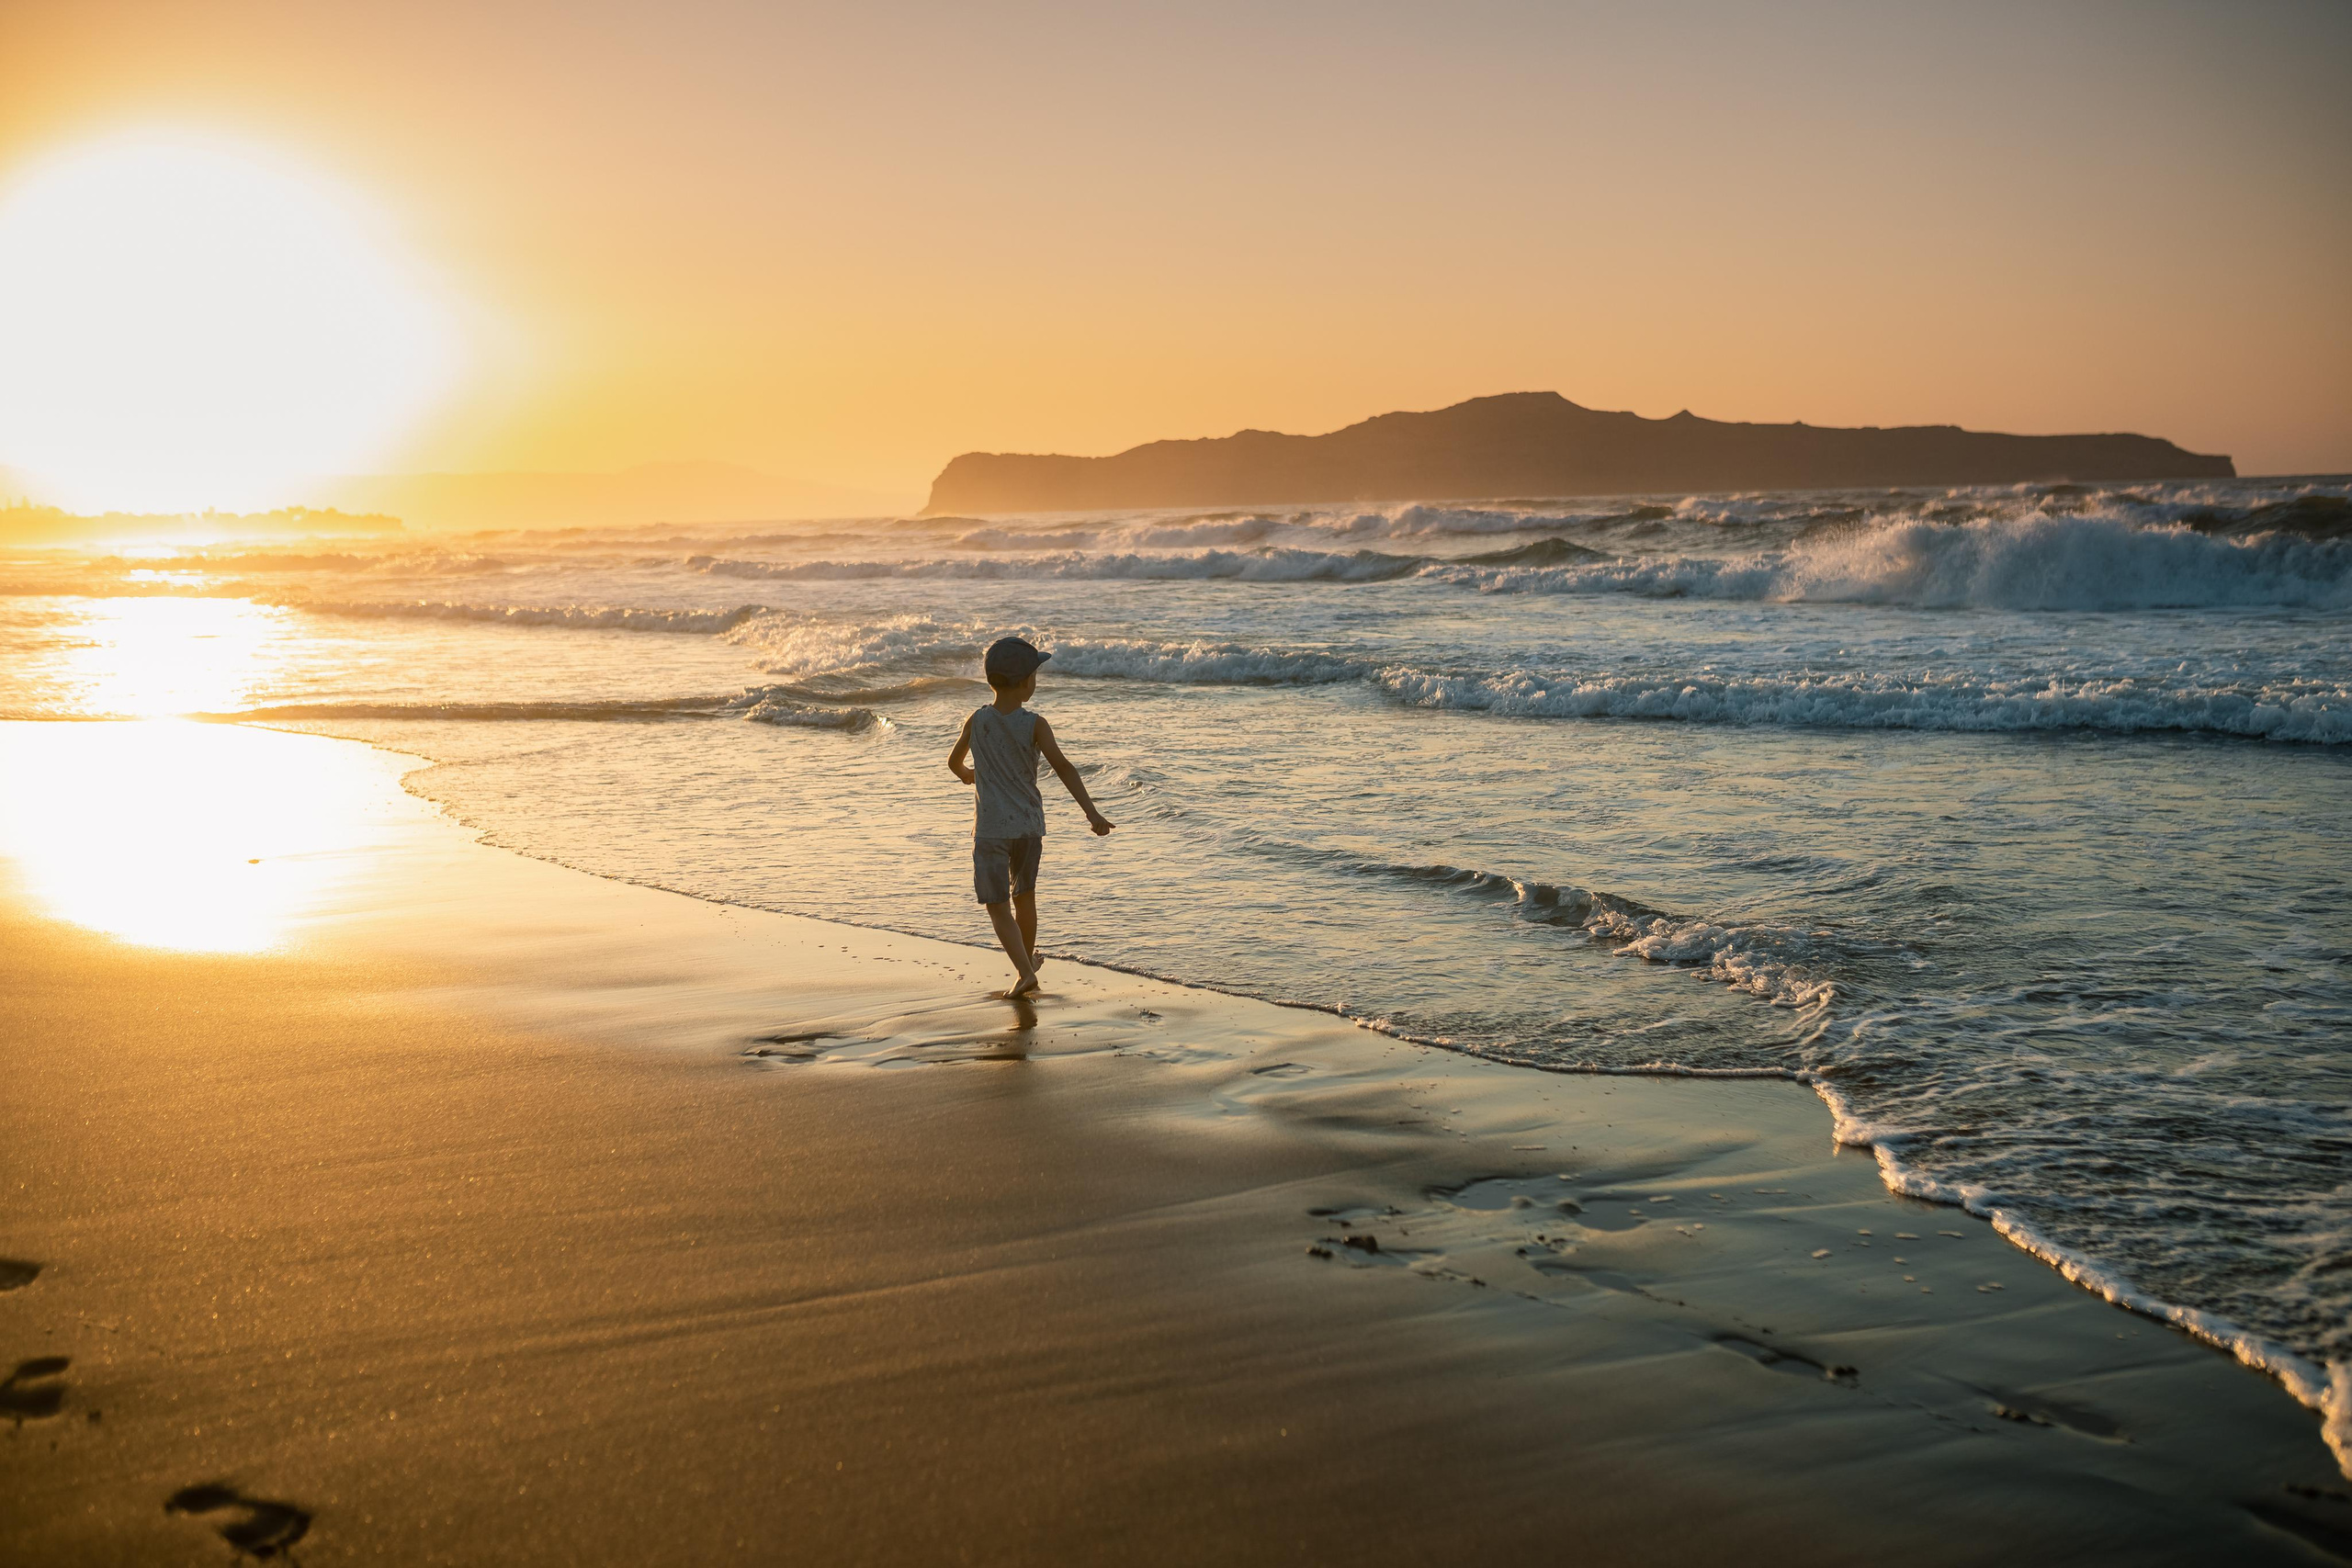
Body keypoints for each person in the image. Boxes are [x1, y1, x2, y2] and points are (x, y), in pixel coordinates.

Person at [946, 637, 1114, 997]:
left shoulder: (976, 721)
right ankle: (1027, 965)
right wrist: (1092, 813)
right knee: (1024, 897)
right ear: (1025, 683)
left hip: (990, 830)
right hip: (1028, 827)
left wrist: (968, 775)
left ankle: (1025, 970)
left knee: (996, 905)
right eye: (1035, 675)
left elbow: (953, 762)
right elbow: (1064, 768)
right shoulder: (1035, 724)